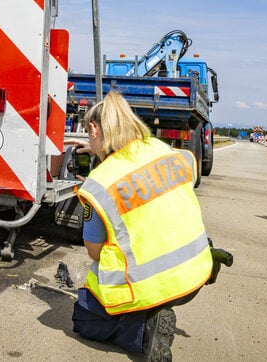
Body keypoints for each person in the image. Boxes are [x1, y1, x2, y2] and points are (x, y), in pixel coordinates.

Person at [67, 92, 214, 361]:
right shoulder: (164, 150)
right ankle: (150, 314)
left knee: (84, 318)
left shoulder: (98, 185)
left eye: (88, 134)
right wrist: (104, 156)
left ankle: (144, 329)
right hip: (195, 274)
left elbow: (94, 252)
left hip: (152, 286)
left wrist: (99, 172)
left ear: (94, 129)